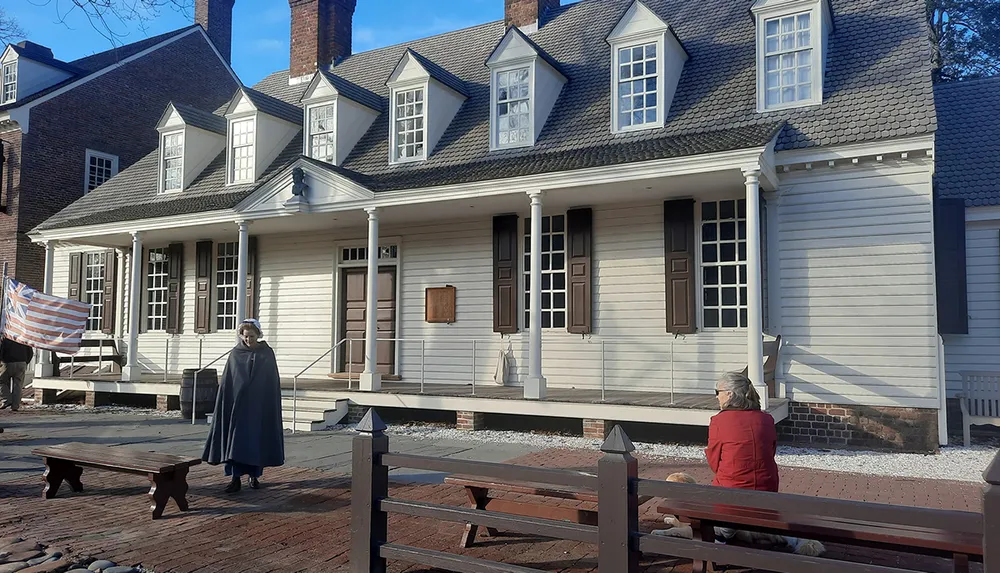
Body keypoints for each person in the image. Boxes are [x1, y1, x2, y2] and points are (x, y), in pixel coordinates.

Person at [706, 372, 823, 556]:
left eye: (717, 391)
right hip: (766, 491)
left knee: (716, 502)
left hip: (731, 495)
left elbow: (714, 462)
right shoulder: (767, 419)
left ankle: (723, 536)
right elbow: (770, 452)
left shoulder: (719, 421)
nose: (716, 396)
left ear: (729, 394)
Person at [202, 319, 285, 493]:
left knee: (256, 442)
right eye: (246, 336)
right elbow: (228, 383)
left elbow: (271, 382)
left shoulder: (266, 354)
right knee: (236, 442)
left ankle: (254, 476)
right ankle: (235, 478)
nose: (248, 339)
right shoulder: (235, 354)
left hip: (259, 407)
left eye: (252, 336)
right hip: (238, 408)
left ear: (258, 335)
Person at [0, 337, 34, 411]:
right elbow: (30, 353)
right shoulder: (24, 339)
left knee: (2, 381)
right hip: (22, 363)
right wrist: (26, 362)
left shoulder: (6, 338)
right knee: (18, 384)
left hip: (8, 362)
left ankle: (6, 400)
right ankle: (15, 405)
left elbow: (1, 351)